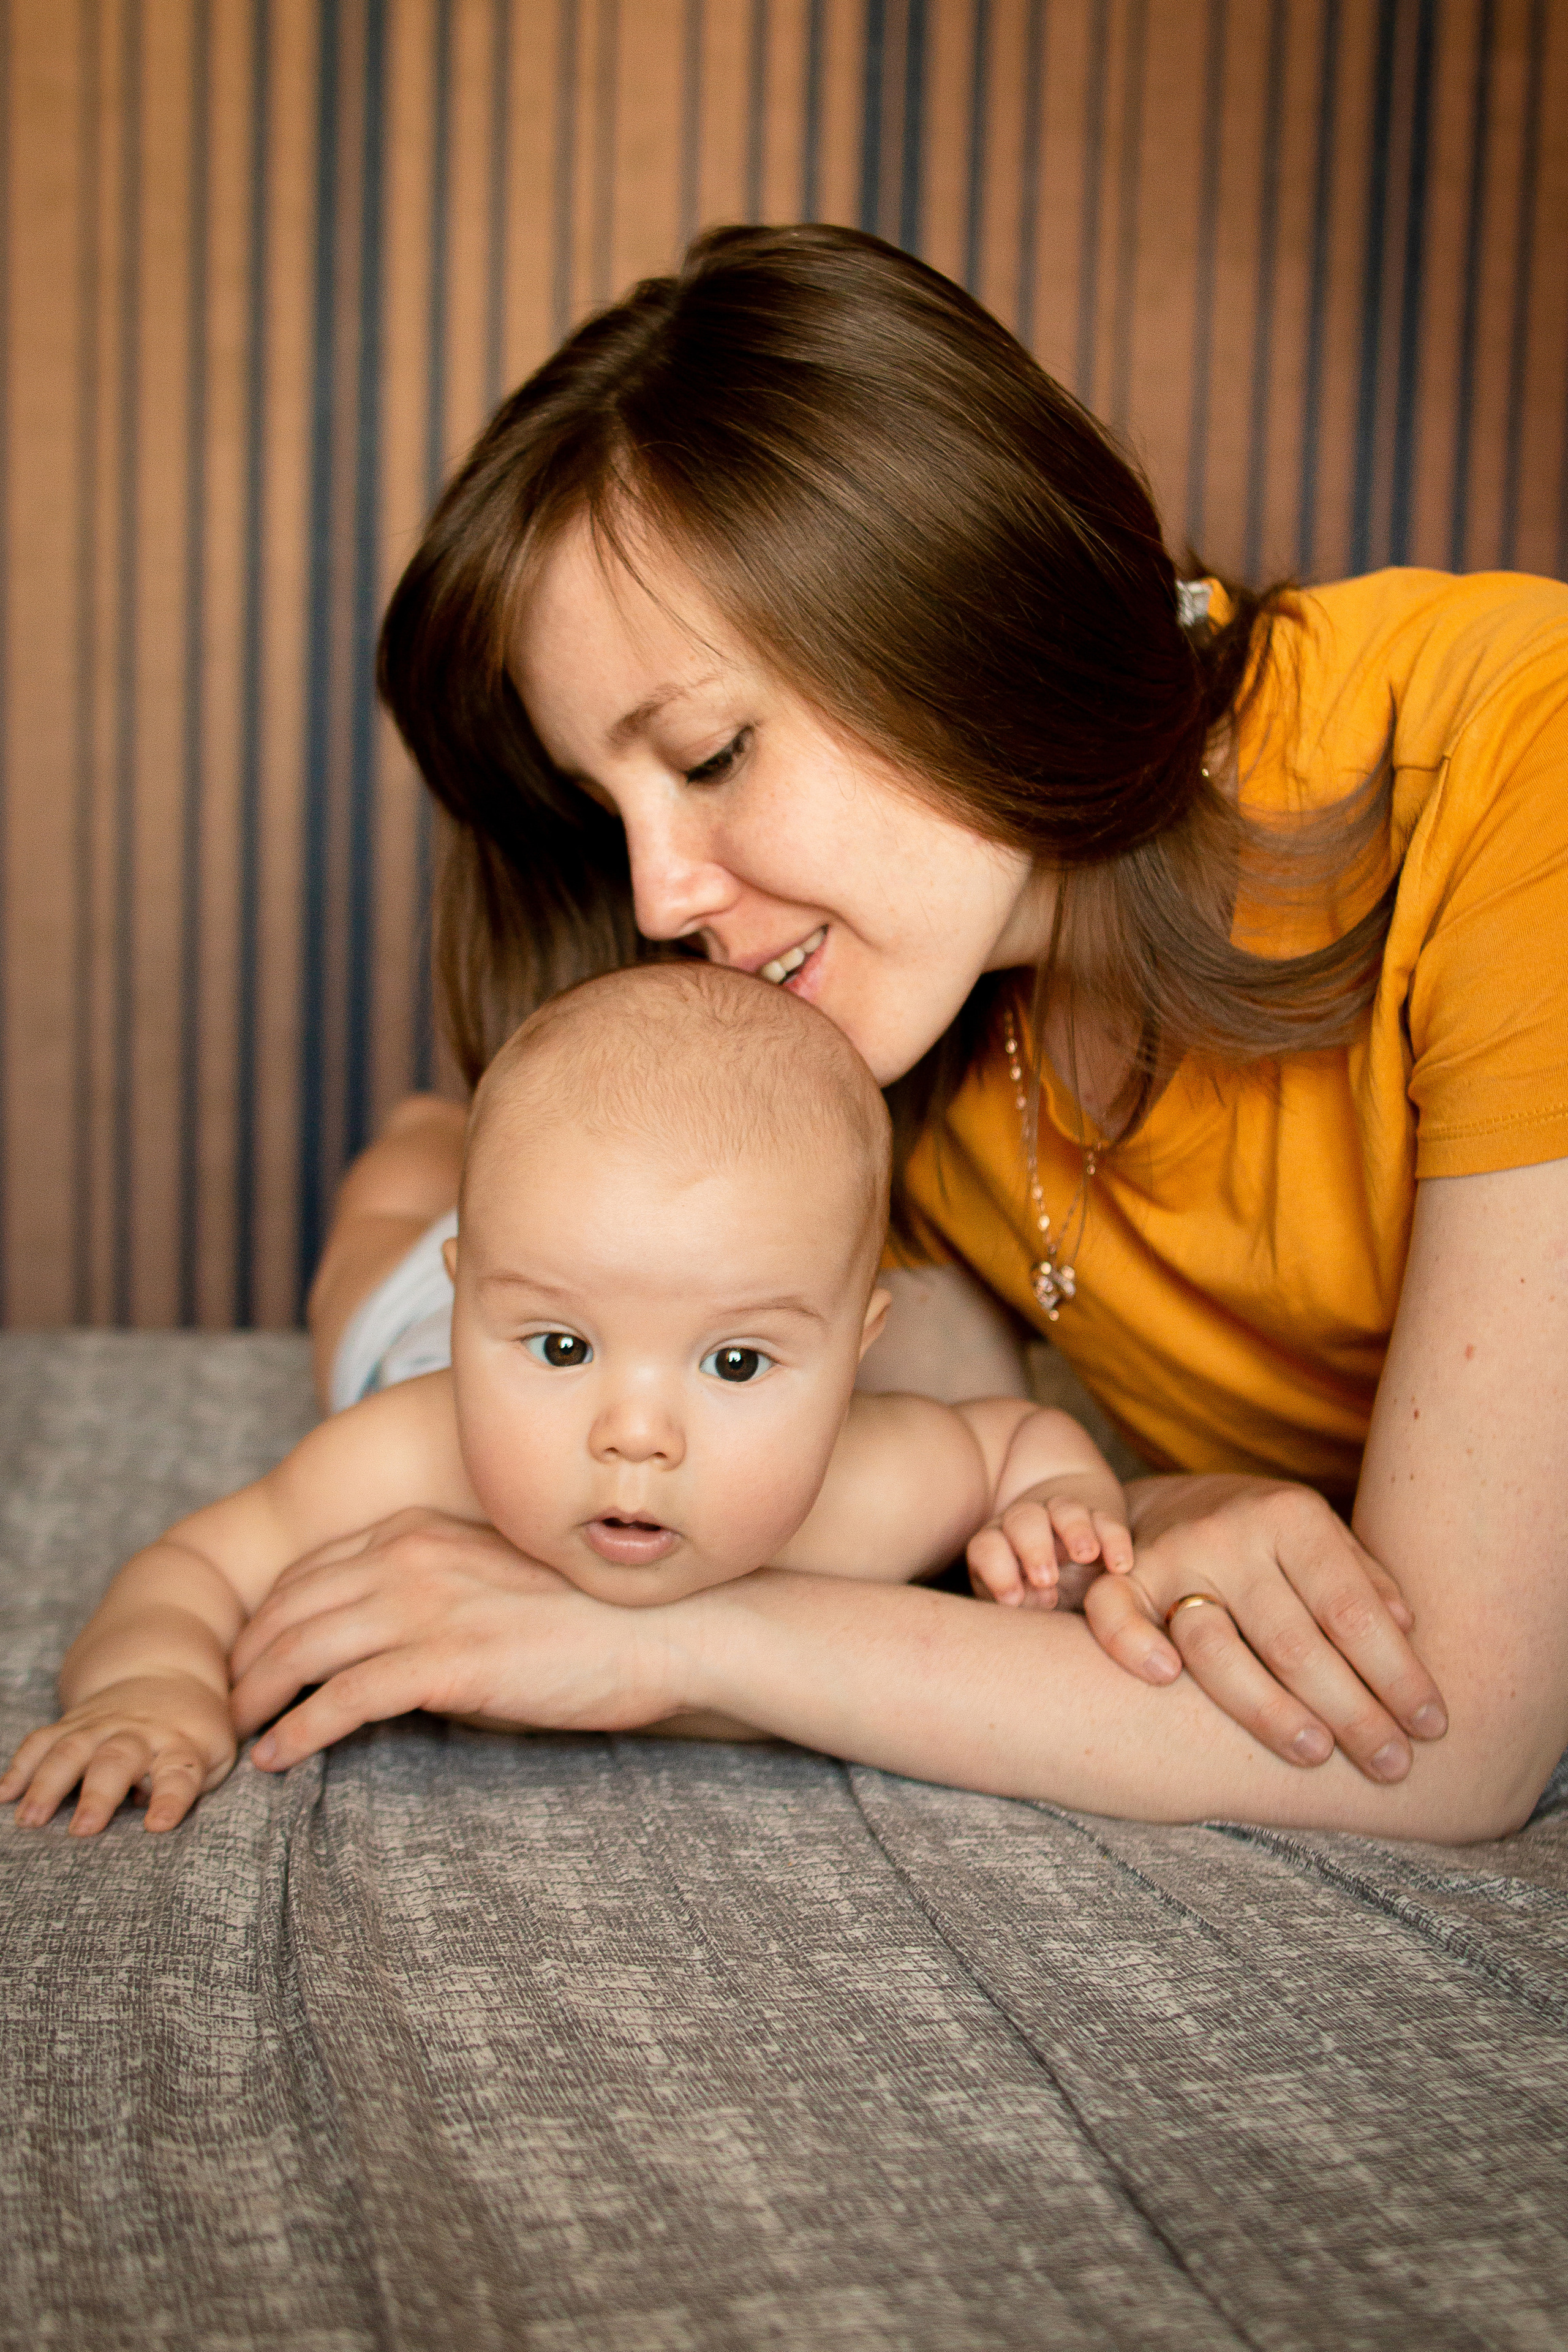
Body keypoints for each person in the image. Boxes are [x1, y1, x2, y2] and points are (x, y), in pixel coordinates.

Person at [294, 222, 1565, 1842]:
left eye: (708, 751)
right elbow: (960, 1507)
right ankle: (415, 1162)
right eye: (600, 810)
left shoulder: (1525, 758)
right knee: (400, 1313)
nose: (662, 895)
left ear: (938, 597)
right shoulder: (881, 1027)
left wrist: (666, 1645)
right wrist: (1174, 1508)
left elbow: (1456, 1738)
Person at [2, 966, 1135, 1837]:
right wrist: (151, 1686)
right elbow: (193, 1569)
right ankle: (418, 1153)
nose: (634, 1434)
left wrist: (1058, 1504)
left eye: (736, 1364)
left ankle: (485, 1214)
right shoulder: (405, 1457)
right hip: (411, 1325)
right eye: (560, 1349)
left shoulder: (881, 1484)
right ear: (478, 1312)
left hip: (547, 1260)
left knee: (554, 1246)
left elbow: (1016, 1442)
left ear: (853, 1358)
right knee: (381, 1232)